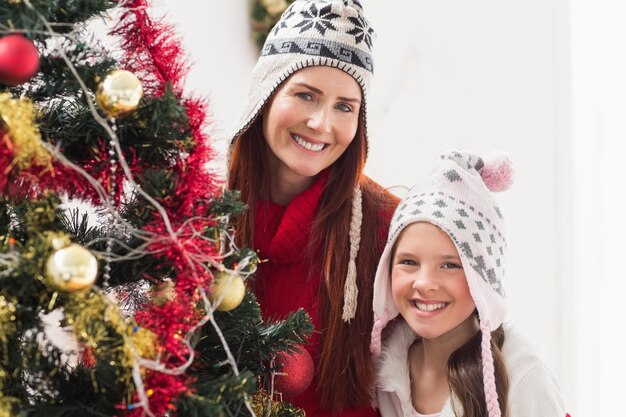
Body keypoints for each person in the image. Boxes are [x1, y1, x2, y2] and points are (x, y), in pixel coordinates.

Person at [227, 0, 399, 415]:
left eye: (345, 106)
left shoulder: (389, 227)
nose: (322, 124)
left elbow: (473, 344)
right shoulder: (199, 220)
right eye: (306, 95)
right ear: (266, 93)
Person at [370, 150, 567, 417]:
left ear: (483, 280)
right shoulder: (386, 375)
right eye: (409, 262)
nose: (425, 283)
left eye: (450, 265)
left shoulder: (522, 375)